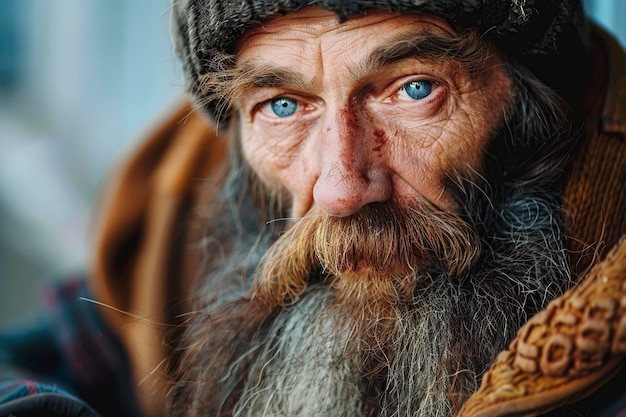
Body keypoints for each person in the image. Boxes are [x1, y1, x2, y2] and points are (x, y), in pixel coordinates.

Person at [1, 0, 625, 416]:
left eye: (414, 89)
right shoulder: (179, 223)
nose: (343, 189)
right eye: (282, 105)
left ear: (539, 106)